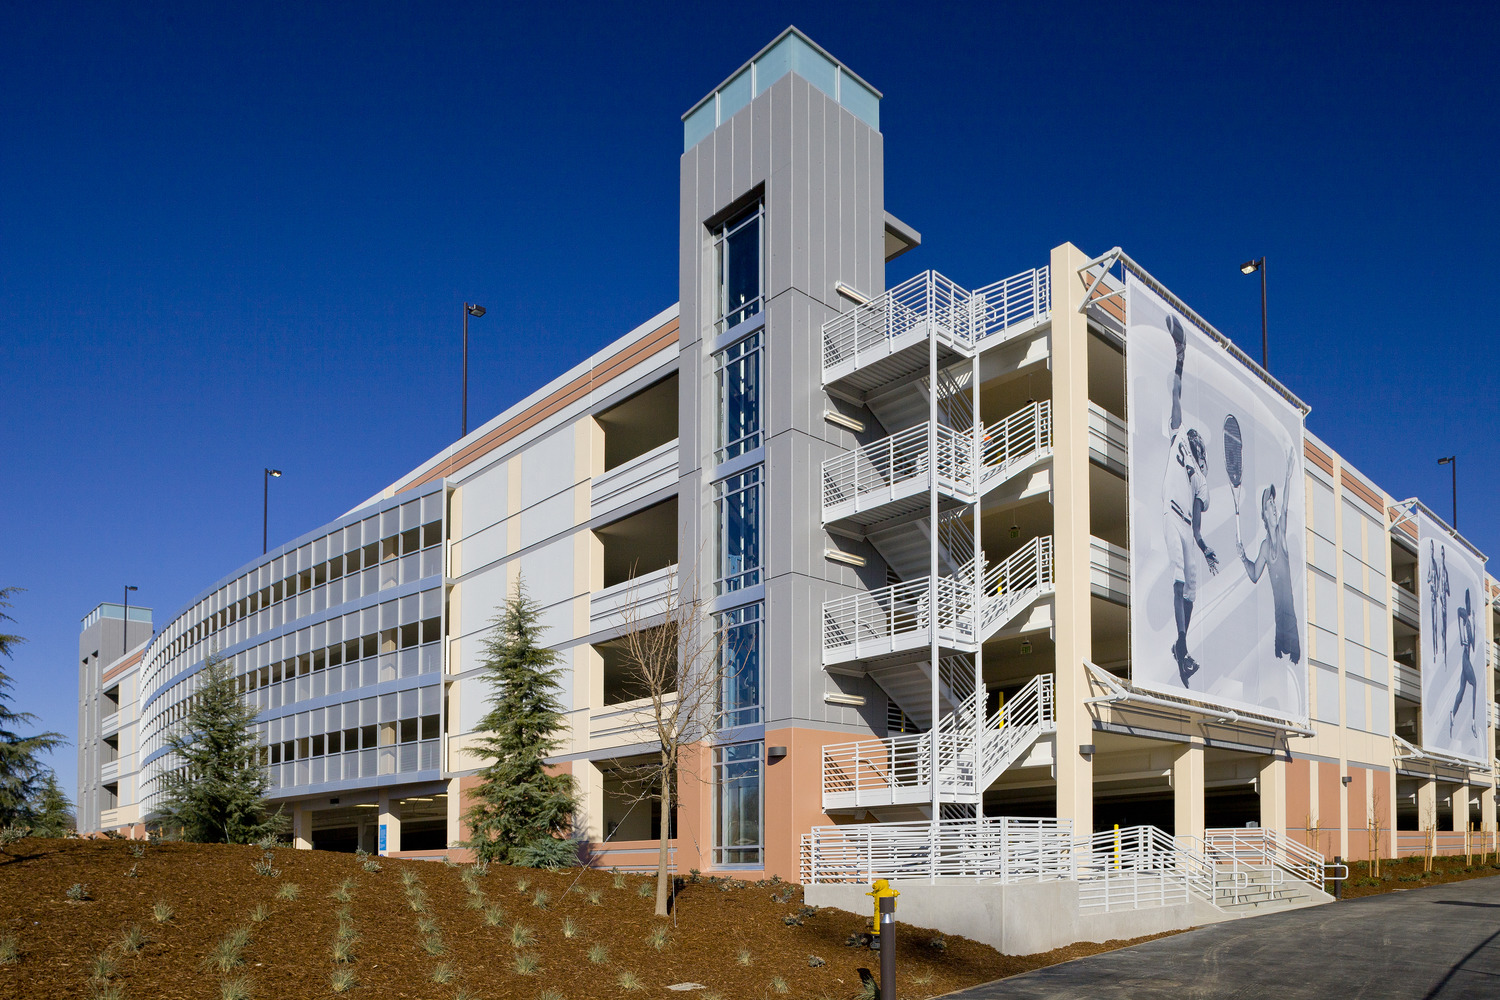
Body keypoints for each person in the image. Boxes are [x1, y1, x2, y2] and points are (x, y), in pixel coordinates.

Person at [1161, 314, 1219, 687]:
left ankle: (1181, 644)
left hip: (1187, 525)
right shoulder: (1179, 435)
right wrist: (1180, 357)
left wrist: (1206, 546)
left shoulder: (1201, 480)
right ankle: (1182, 646)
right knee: (1179, 578)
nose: (1196, 439)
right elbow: (1176, 394)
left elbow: (1198, 526)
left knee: (1192, 589)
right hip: (1171, 512)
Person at [1236, 448, 1301, 664]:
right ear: (1264, 514)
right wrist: (1243, 557)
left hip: (1291, 626)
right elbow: (1254, 574)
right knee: (1276, 666)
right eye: (1269, 504)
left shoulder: (1281, 534)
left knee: (1292, 664)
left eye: (1273, 503)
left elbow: (1285, 505)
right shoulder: (1264, 547)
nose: (1273, 506)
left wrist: (1287, 477)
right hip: (1278, 626)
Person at [1450, 588, 1478, 742]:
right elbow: (1458, 611)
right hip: (1465, 658)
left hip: (1466, 657)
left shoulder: (1469, 621)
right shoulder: (1463, 615)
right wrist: (1463, 631)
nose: (1468, 605)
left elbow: (1473, 645)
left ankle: (1453, 714)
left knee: (1461, 691)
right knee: (1475, 684)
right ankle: (1473, 722)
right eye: (1468, 601)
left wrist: (1473, 624)